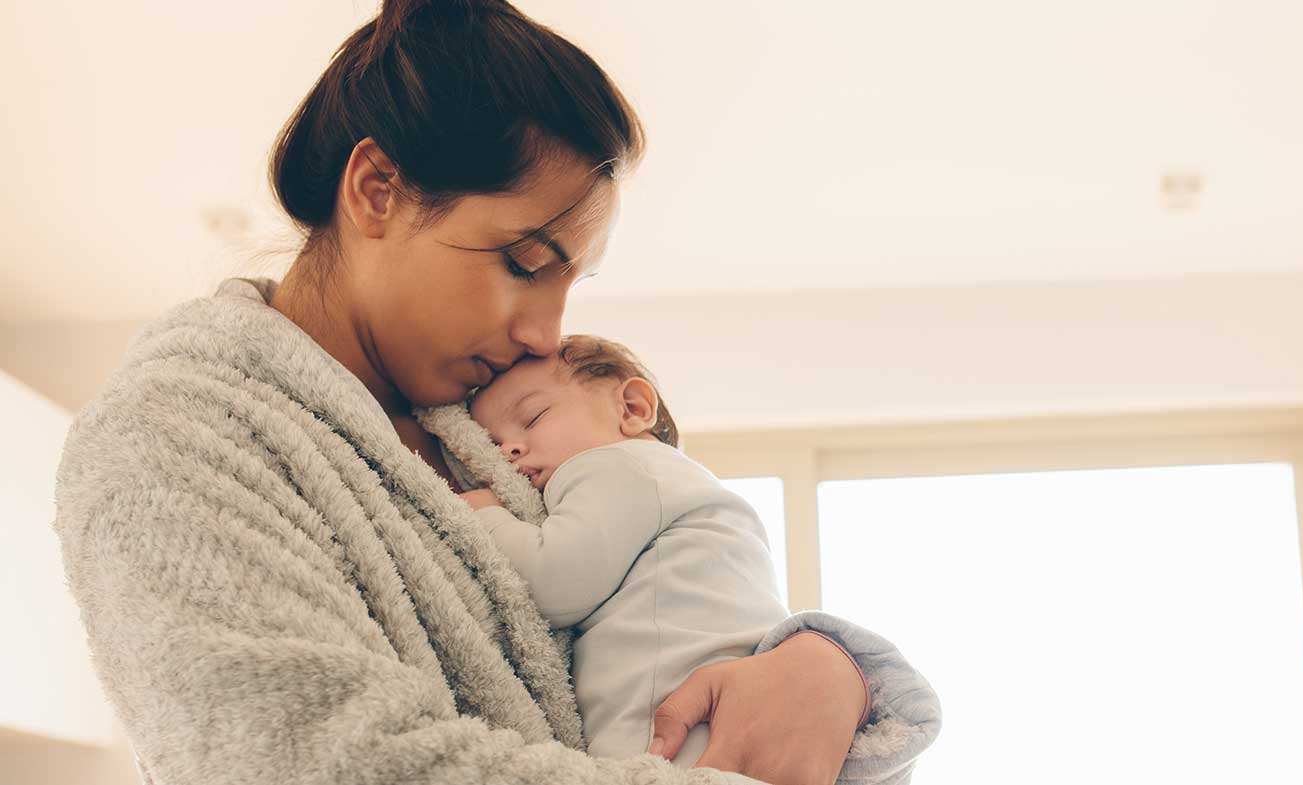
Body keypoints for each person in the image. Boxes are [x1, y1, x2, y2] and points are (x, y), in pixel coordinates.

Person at [50, 2, 938, 784]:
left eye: (567, 284)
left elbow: (657, 608)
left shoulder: (475, 427)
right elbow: (323, 762)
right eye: (523, 264)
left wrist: (826, 665)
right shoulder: (168, 435)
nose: (546, 334)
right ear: (377, 191)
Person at [458, 335, 803, 766]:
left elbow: (555, 583)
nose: (508, 451)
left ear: (633, 408)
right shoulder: (680, 484)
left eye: (533, 416)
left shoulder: (621, 465)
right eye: (492, 445)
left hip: (672, 727)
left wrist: (485, 513)